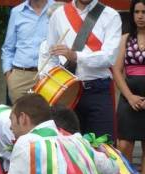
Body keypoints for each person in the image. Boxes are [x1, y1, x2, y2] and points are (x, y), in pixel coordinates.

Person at [47, 0, 122, 140]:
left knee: (102, 147)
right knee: (68, 148)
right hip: (66, 91)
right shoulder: (58, 14)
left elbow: (109, 56)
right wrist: (52, 83)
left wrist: (75, 56)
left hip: (97, 90)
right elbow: (50, 54)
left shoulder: (110, 15)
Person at [113, 0, 145, 174]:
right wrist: (130, 97)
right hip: (129, 96)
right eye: (137, 12)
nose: (140, 16)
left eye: (144, 12)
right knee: (123, 145)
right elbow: (117, 70)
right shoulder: (125, 38)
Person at [2, 0, 54, 103]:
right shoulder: (17, 12)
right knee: (20, 117)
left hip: (49, 76)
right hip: (21, 76)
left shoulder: (58, 9)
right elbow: (8, 48)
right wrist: (9, 76)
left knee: (47, 117)